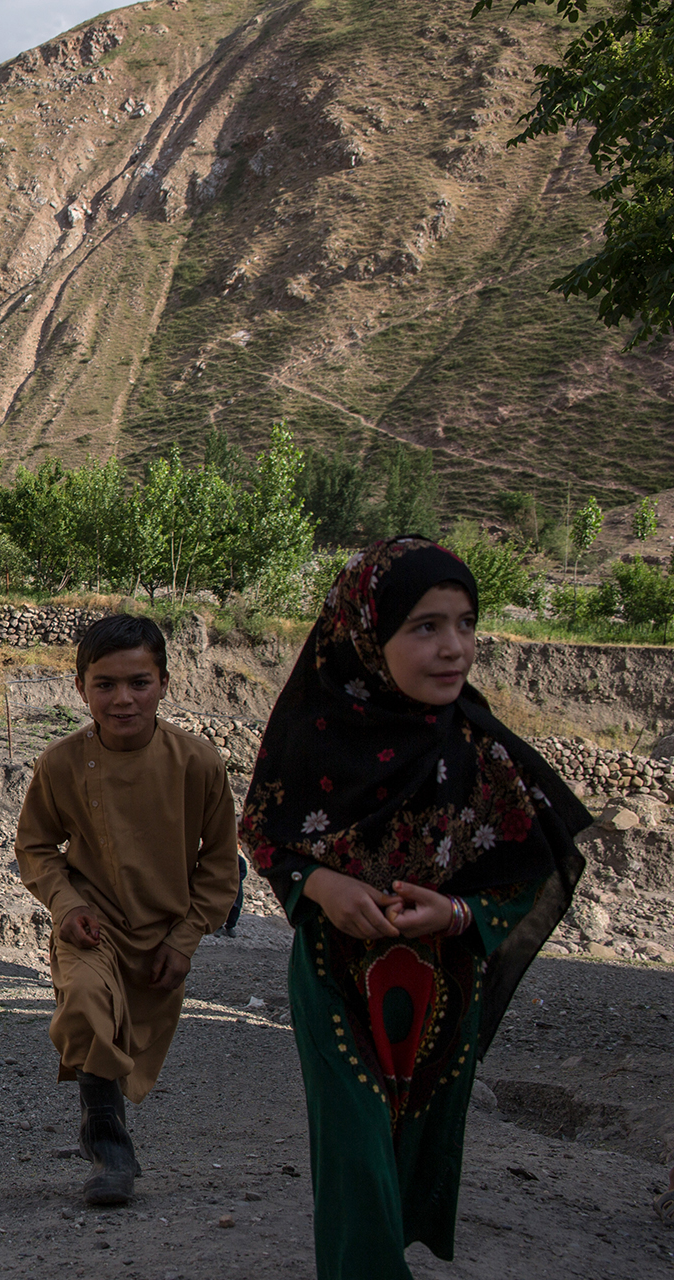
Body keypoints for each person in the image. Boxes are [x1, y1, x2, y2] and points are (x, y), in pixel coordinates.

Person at [239, 536, 589, 1280]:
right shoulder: (318, 729)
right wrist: (322, 887)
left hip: (444, 986)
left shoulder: (478, 747)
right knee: (357, 1154)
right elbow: (266, 831)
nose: (453, 647)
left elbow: (530, 863)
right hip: (336, 977)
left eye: (465, 623)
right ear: (367, 632)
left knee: (412, 1140)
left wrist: (460, 917)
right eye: (425, 627)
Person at [13, 613, 239, 1205]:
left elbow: (219, 868)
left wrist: (185, 940)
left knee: (128, 1039)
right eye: (104, 684)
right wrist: (65, 904)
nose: (122, 700)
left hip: (163, 934)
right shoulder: (60, 763)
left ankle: (102, 1125)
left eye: (138, 682)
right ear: (81, 687)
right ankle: (109, 1144)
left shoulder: (199, 764)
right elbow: (35, 847)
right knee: (87, 1007)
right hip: (92, 926)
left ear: (164, 683)